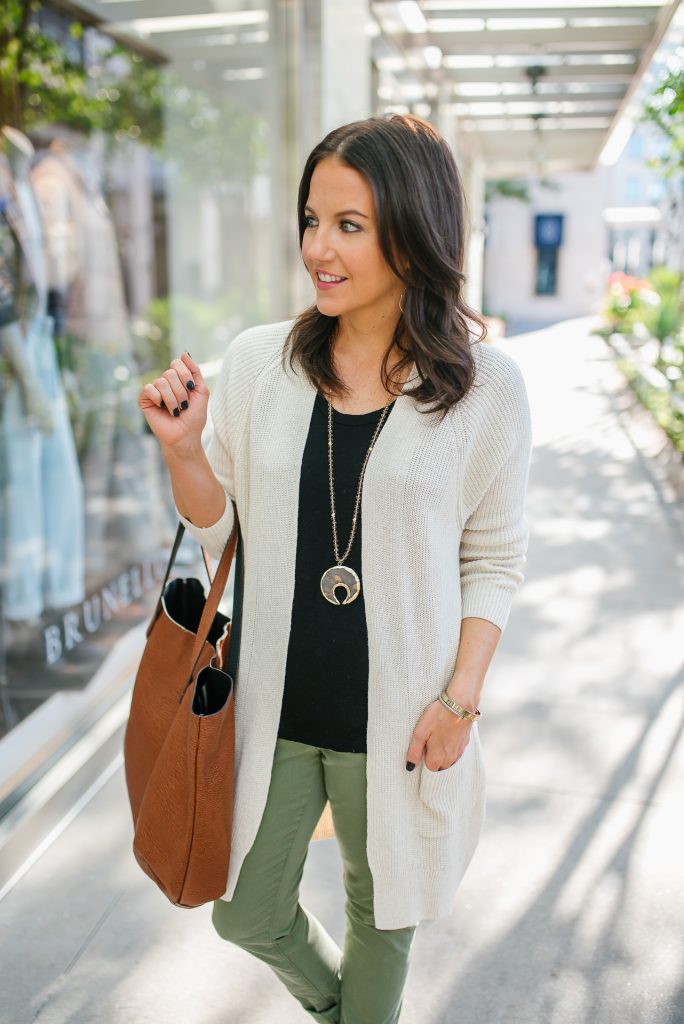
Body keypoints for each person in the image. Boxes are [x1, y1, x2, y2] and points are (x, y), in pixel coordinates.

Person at [139, 114, 532, 1024]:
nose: (318, 247)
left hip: (401, 716)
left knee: (381, 913)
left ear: (415, 230)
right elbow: (219, 526)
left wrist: (461, 698)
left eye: (349, 225)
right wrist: (185, 451)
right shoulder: (257, 362)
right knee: (246, 913)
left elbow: (496, 555)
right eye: (312, 220)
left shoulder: (486, 389)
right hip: (274, 704)